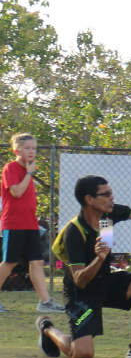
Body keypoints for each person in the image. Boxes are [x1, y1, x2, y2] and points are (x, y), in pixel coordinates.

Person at [38, 175, 131, 358]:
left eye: (111, 193)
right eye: (105, 194)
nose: (111, 197)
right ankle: (47, 328)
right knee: (82, 353)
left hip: (105, 282)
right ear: (89, 200)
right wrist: (99, 258)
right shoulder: (74, 231)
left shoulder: (108, 214)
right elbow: (80, 280)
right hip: (81, 296)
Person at [0, 132, 65, 314]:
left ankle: (45, 302)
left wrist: (29, 173)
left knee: (36, 262)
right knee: (10, 262)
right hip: (13, 223)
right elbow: (16, 192)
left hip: (30, 224)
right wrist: (29, 173)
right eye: (27, 148)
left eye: (34, 148)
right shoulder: (11, 168)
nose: (31, 152)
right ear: (16, 150)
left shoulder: (28, 170)